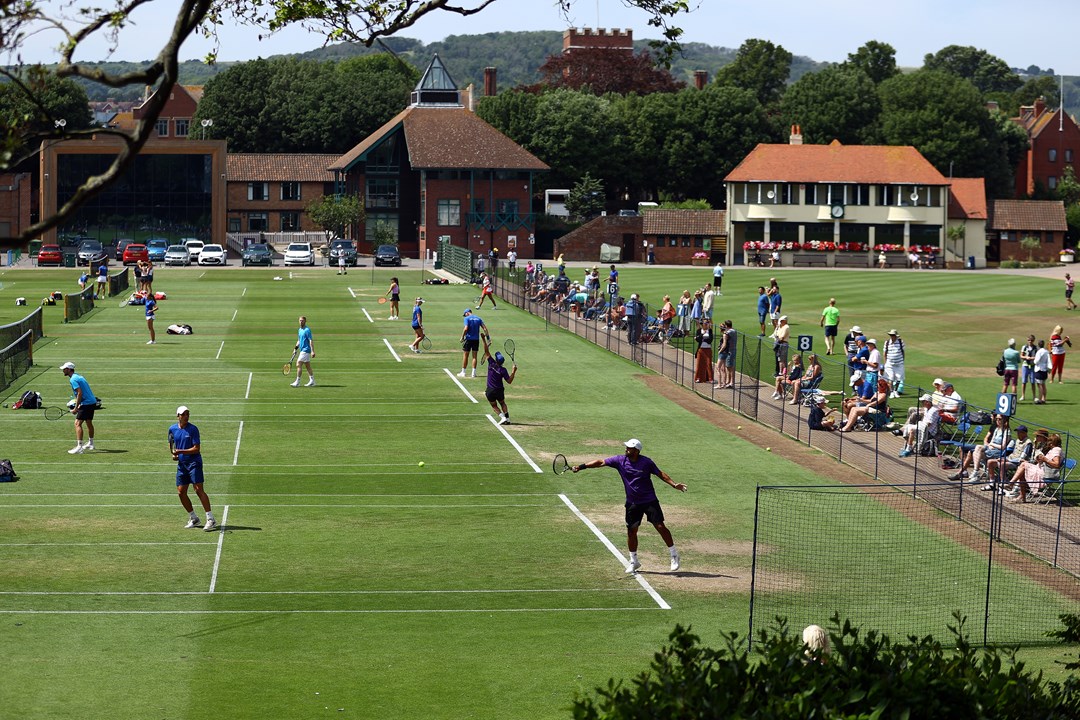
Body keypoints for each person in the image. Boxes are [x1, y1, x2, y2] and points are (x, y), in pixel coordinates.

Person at [572, 439, 687, 573]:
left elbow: (659, 473)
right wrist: (581, 467)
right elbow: (600, 462)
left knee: (660, 526)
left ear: (637, 450)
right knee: (632, 531)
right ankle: (634, 561)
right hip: (632, 503)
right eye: (626, 447)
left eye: (629, 447)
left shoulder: (646, 462)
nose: (626, 449)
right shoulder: (620, 460)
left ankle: (674, 554)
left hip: (649, 500)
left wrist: (674, 485)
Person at [169, 406, 218, 531]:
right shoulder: (172, 429)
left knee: (198, 489)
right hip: (182, 465)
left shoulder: (193, 429)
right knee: (181, 492)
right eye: (183, 414)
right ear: (178, 416)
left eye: (187, 414)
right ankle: (194, 518)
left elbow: (197, 448)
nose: (186, 416)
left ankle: (210, 519)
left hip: (194, 463)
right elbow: (172, 445)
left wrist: (181, 451)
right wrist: (175, 455)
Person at [1007, 432, 1063, 502]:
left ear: (1053, 442)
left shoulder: (1056, 449)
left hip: (1046, 473)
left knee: (1023, 465)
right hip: (1041, 468)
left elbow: (1056, 464)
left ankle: (1011, 483)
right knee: (1023, 469)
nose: (1048, 442)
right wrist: (1040, 459)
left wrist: (1044, 459)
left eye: (1050, 441)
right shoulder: (1053, 449)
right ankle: (1022, 496)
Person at [60, 361, 97, 454]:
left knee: (77, 423)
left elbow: (80, 392)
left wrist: (76, 408)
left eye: (64, 369)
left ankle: (79, 447)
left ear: (68, 369)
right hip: (92, 401)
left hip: (87, 403)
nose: (63, 371)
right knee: (88, 422)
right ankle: (91, 443)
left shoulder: (73, 379)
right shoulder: (79, 376)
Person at [483, 349, 517, 424]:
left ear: (496, 360)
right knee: (502, 403)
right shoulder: (503, 370)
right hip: (500, 390)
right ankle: (507, 419)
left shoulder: (491, 363)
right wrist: (513, 372)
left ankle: (502, 417)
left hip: (490, 390)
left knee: (494, 406)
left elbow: (486, 351)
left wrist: (483, 339)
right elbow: (509, 381)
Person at [458, 308, 489, 378]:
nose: (465, 316)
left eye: (465, 314)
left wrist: (462, 337)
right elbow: (485, 329)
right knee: (474, 357)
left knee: (465, 355)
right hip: (476, 340)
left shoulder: (467, 319)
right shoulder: (479, 318)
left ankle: (463, 372)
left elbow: (466, 328)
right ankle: (473, 373)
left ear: (467, 313)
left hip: (469, 340)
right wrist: (488, 338)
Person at [291, 315, 315, 387]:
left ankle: (297, 382)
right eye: (300, 320)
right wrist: (295, 349)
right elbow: (299, 341)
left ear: (305, 321)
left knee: (298, 364)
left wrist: (312, 351)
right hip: (302, 350)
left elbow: (311, 340)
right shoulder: (299, 330)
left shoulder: (307, 330)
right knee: (308, 366)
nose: (301, 322)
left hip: (306, 350)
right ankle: (312, 381)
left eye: (302, 320)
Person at [882, 329, 906, 398]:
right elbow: (884, 353)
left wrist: (902, 361)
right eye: (891, 335)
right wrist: (885, 362)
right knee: (891, 378)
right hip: (889, 363)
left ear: (896, 336)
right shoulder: (887, 343)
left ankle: (895, 391)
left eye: (893, 335)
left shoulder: (901, 342)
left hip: (899, 363)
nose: (892, 336)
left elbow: (903, 352)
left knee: (899, 378)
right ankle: (891, 391)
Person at [694, 319, 714, 384]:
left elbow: (710, 340)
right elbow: (698, 340)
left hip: (708, 349)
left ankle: (710, 378)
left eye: (707, 323)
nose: (707, 324)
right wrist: (702, 335)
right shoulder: (699, 331)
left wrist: (702, 339)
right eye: (705, 323)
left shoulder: (710, 331)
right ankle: (698, 378)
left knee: (708, 364)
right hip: (701, 349)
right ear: (702, 324)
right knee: (699, 364)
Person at [1019, 334, 1038, 402]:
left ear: (1033, 340)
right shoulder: (1024, 347)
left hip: (1032, 366)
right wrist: (1026, 357)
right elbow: (1021, 356)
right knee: (1024, 381)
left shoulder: (1036, 348)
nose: (1030, 341)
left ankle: (1034, 396)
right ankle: (1023, 395)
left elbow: (1038, 357)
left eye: (1031, 340)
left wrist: (1032, 358)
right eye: (1029, 340)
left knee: (1033, 382)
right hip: (1025, 365)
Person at [1033, 339, 1051, 403]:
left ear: (1038, 345)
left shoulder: (1039, 352)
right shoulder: (1046, 351)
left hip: (1039, 369)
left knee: (1039, 385)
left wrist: (1034, 361)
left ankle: (1040, 399)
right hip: (1044, 370)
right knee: (1043, 384)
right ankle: (1044, 399)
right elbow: (1048, 361)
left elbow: (1036, 361)